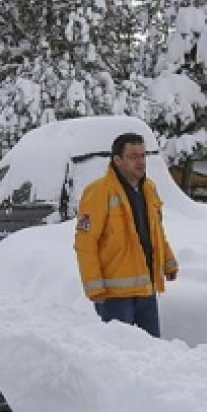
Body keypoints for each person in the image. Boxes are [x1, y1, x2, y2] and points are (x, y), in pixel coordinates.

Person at [74, 132, 178, 337]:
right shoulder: (98, 191)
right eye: (133, 156)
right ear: (117, 160)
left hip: (147, 291)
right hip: (114, 297)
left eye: (142, 156)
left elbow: (156, 230)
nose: (140, 162)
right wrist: (93, 286)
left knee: (151, 353)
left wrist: (168, 261)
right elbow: (85, 242)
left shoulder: (149, 189)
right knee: (120, 356)